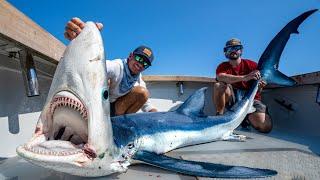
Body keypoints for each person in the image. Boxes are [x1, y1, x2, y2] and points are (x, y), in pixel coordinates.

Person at [64, 17, 158, 116]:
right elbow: (92, 67)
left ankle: (118, 122)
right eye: (139, 59)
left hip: (116, 109)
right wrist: (82, 43)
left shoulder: (138, 79)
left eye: (145, 64)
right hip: (100, 105)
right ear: (130, 56)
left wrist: (158, 116)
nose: (140, 64)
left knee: (143, 93)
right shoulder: (116, 66)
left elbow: (146, 104)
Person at [213, 38, 272, 133]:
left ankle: (245, 119)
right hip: (233, 100)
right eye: (229, 49)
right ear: (225, 52)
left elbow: (259, 90)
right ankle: (219, 117)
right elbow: (220, 77)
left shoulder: (252, 65)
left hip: (251, 101)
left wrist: (261, 86)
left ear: (241, 50)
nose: (233, 51)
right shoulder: (222, 66)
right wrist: (245, 77)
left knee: (265, 127)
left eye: (236, 48)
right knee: (219, 85)